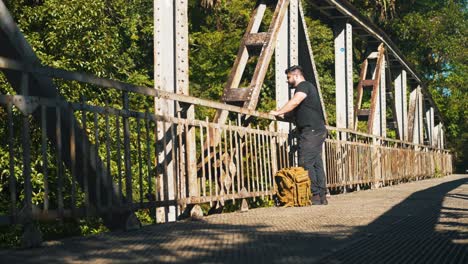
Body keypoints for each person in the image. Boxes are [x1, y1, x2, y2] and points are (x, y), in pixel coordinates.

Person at [269, 65, 328, 205]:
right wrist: (282, 115)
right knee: (315, 163)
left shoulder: (303, 86)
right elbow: (294, 114)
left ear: (296, 75)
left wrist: (277, 112)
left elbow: (295, 101)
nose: (287, 80)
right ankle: (321, 196)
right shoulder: (307, 89)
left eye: (288, 77)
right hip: (316, 130)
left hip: (311, 130)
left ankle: (314, 195)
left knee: (306, 162)